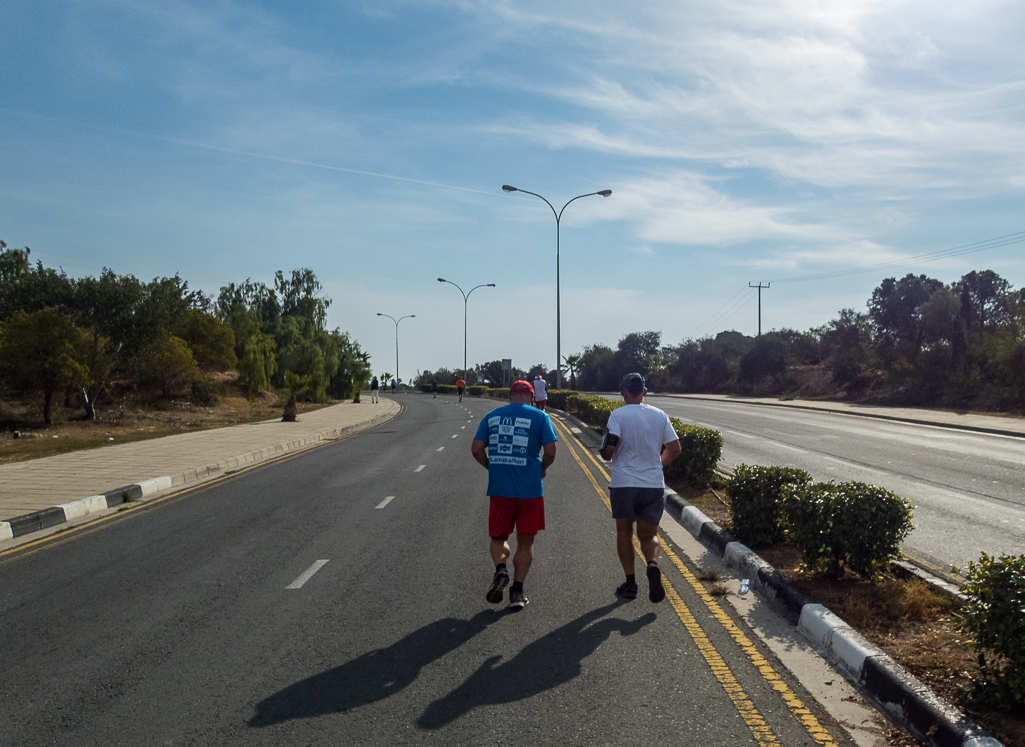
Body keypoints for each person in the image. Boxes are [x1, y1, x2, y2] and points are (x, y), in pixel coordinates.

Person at [471, 380, 558, 610]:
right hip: (530, 490)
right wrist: (542, 469)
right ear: (531, 397)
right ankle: (517, 593)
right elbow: (550, 451)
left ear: (510, 396)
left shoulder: (492, 416)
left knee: (499, 537)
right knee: (526, 540)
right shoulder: (540, 417)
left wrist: (492, 467)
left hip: (501, 489)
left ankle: (501, 569)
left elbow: (476, 449)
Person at [599, 373, 682, 603]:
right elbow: (674, 449)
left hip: (624, 483)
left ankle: (630, 583)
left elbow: (609, 449)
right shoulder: (659, 415)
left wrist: (606, 452)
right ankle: (652, 565)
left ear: (623, 392)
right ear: (644, 392)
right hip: (652, 484)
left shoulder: (617, 415)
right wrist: (656, 464)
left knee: (625, 531)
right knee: (649, 534)